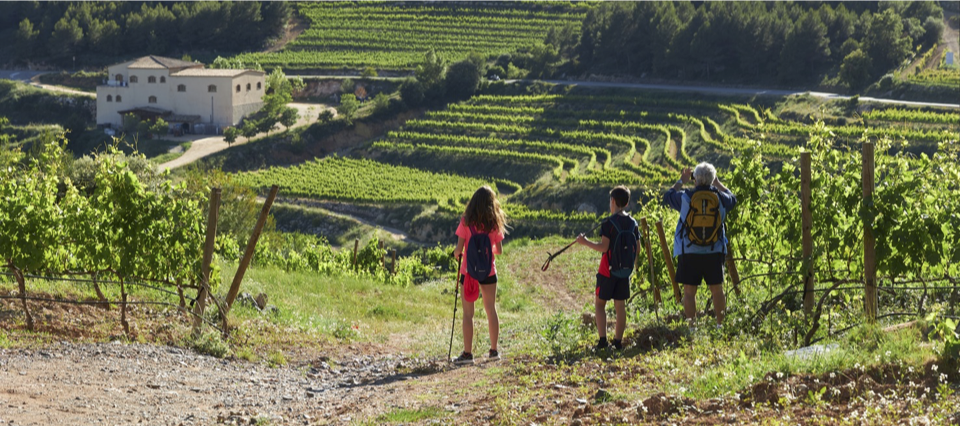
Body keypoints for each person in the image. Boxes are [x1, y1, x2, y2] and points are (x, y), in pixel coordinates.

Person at [664, 163, 737, 327]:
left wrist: (681, 180)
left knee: (689, 292)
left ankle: (692, 327)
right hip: (714, 249)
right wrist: (717, 183)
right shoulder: (721, 198)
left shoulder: (685, 197)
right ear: (712, 179)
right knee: (717, 290)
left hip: (689, 251)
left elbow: (668, 196)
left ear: (695, 179)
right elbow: (733, 198)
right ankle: (720, 325)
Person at [576, 185, 640, 351]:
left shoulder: (608, 223)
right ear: (626, 203)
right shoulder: (633, 223)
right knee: (620, 306)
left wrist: (585, 242)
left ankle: (603, 341)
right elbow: (637, 249)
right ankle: (618, 342)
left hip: (607, 270)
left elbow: (604, 248)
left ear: (612, 201)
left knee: (599, 304)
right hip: (624, 271)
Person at [452, 186, 507, 365]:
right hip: (489, 272)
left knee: (468, 314)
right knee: (491, 310)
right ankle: (494, 350)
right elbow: (498, 250)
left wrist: (458, 253)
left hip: (469, 272)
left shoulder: (466, 221)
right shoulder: (494, 223)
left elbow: (458, 250)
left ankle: (467, 354)